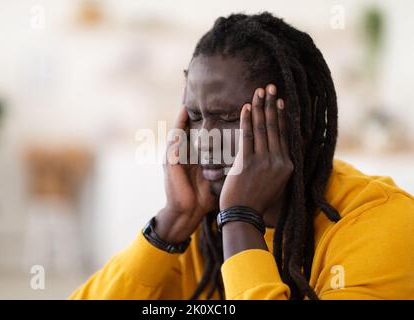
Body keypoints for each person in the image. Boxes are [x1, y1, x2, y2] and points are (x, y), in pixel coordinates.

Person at [70, 12, 414, 300]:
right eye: (195, 115)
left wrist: (239, 219)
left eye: (230, 117)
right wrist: (171, 222)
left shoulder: (384, 226)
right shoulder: (196, 231)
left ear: (294, 120)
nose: (204, 140)